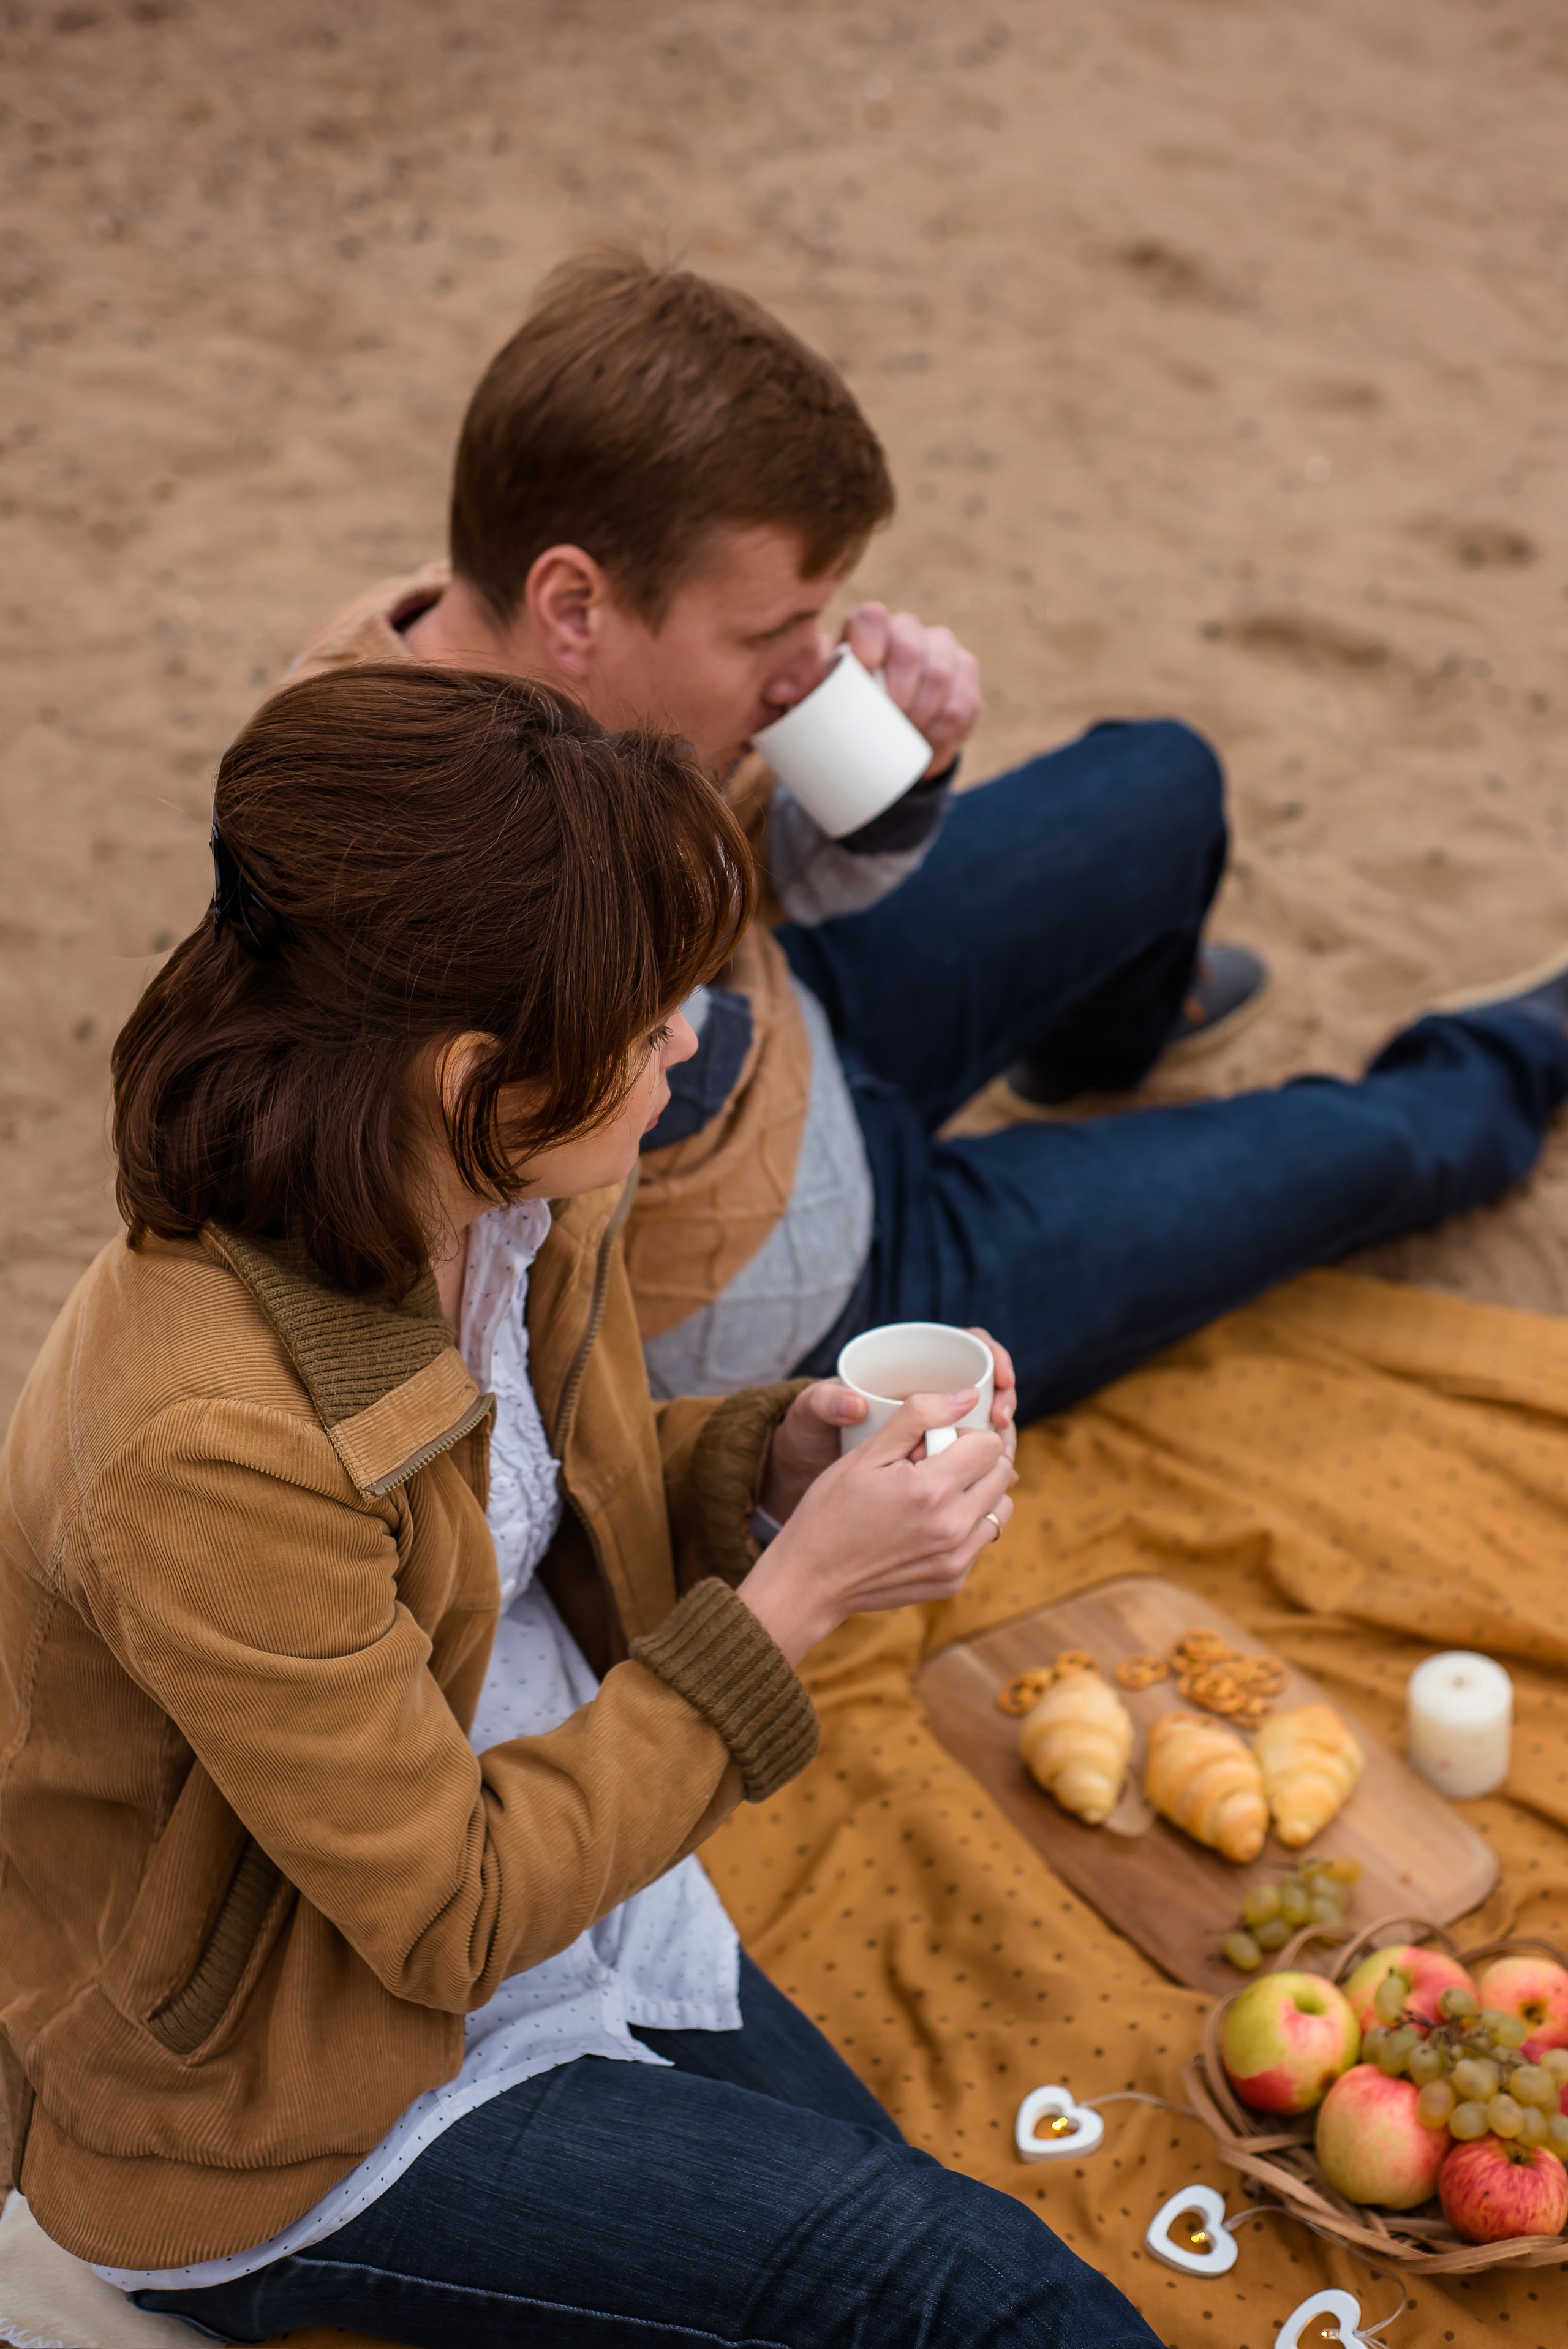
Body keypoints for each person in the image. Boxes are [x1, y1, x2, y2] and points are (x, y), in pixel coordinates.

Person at [0, 664, 1165, 2349]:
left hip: (578, 1868)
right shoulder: (204, 1435)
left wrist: (770, 1463)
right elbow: (447, 1909)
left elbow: (517, 1501)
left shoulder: (513, 1192)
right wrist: (792, 1607)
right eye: (654, 1017)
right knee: (969, 2297)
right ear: (475, 1068)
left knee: (923, 2260)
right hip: (282, 2094)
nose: (693, 1040)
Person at [287, 252, 1568, 1424]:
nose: (807, 670)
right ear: (574, 602)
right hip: (826, 1283)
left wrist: (892, 775)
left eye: (817, 618)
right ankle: (1523, 1054)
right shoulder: (426, 892)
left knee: (1161, 778)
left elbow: (756, 889)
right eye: (763, 635)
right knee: (1373, 1148)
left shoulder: (464, 627)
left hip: (805, 1027)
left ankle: (1101, 1048)